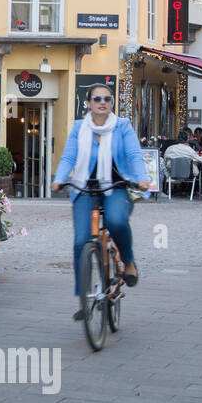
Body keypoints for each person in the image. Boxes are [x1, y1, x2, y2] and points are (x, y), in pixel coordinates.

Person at [51, 84, 149, 321]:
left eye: (107, 98)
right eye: (97, 99)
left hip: (116, 186)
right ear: (88, 103)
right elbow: (69, 156)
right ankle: (83, 299)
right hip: (85, 186)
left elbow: (134, 155)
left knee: (116, 220)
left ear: (112, 102)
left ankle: (128, 261)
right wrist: (59, 179)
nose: (102, 102)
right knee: (80, 242)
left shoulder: (122, 126)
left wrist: (142, 178)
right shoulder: (79, 128)